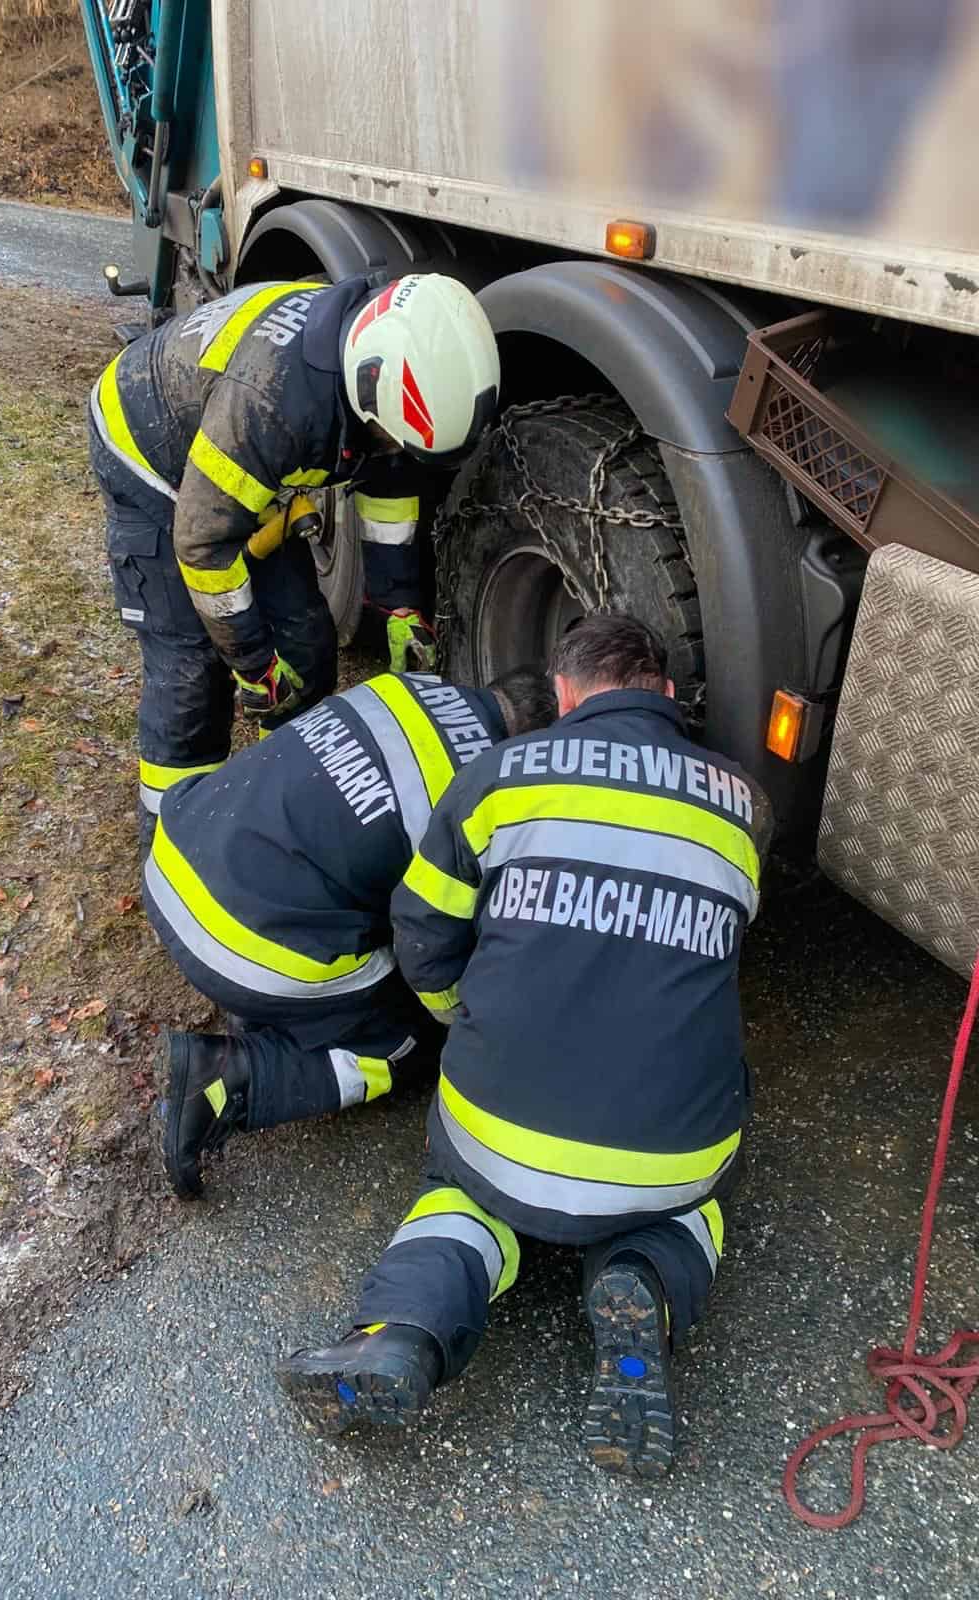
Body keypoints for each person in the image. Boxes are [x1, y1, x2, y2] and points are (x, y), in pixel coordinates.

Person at [277, 614, 770, 1479]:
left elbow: (422, 929)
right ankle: (646, 1279)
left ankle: (402, 1333)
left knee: (462, 1198)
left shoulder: (499, 776)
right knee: (693, 1190)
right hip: (666, 1153)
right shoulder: (744, 805)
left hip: (495, 1135)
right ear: (664, 693)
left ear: (565, 694)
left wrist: (464, 1016)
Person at [88, 272, 501, 849]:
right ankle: (172, 843)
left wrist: (400, 605)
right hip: (148, 453)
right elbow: (203, 544)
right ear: (369, 390)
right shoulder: (272, 406)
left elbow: (389, 487)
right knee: (192, 672)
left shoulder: (378, 374)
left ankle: (280, 795)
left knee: (305, 641)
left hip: (234, 471)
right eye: (391, 440)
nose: (392, 450)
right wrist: (253, 664)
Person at [145, 665, 557, 1198]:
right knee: (407, 1041)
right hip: (237, 943)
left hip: (177, 855)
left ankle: (275, 1008)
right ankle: (230, 1076)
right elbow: (428, 940)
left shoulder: (406, 687)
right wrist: (460, 1018)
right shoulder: (476, 796)